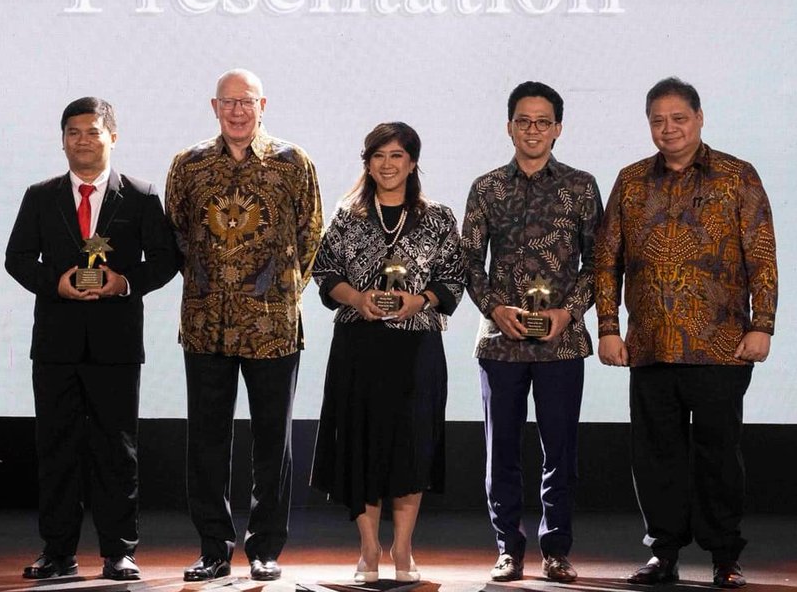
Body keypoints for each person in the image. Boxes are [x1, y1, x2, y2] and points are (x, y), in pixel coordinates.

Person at [595, 78, 777, 589]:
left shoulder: (736, 176)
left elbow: (761, 255)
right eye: (658, 120)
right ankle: (664, 552)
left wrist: (762, 326)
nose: (668, 129)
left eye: (679, 118)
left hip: (721, 345)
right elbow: (606, 261)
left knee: (719, 457)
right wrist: (609, 328)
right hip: (650, 345)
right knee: (655, 458)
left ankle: (725, 555)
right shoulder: (631, 181)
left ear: (699, 118)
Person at [6, 97, 179, 581]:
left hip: (116, 343)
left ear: (113, 137)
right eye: (73, 132)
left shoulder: (141, 196)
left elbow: (165, 260)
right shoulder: (40, 195)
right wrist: (55, 282)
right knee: (55, 447)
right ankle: (57, 551)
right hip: (57, 343)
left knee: (116, 449)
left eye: (93, 131)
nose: (83, 140)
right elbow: (17, 258)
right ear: (63, 140)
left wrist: (122, 282)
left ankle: (119, 551)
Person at [165, 69, 322, 582]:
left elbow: (311, 232)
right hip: (207, 323)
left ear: (263, 105)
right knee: (206, 441)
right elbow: (178, 236)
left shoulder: (292, 163)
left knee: (273, 441)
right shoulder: (188, 165)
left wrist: (281, 293)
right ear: (214, 107)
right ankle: (213, 547)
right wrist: (213, 289)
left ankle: (265, 549)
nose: (238, 111)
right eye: (229, 102)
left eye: (247, 102)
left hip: (273, 324)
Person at [461, 82, 602, 583]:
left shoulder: (582, 187)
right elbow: (467, 262)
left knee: (560, 448)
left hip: (562, 341)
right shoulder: (486, 188)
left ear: (558, 128)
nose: (534, 130)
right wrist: (493, 308)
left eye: (544, 121)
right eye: (524, 120)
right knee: (501, 450)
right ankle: (507, 548)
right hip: (501, 342)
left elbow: (598, 265)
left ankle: (557, 549)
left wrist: (569, 312)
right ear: (509, 127)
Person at [311, 122, 464, 584]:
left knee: (410, 447)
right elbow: (324, 273)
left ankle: (403, 548)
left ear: (412, 162)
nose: (387, 164)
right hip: (359, 347)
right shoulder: (346, 216)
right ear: (368, 162)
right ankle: (367, 550)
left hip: (417, 348)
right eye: (378, 156)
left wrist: (420, 300)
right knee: (361, 444)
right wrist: (357, 299)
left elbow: (454, 277)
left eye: (397, 155)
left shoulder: (438, 217)